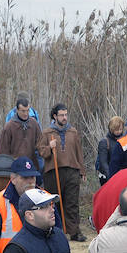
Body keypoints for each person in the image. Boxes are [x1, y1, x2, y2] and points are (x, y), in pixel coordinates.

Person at [38, 103, 87, 241]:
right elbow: (41, 151)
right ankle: (56, 231)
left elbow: (79, 152)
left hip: (71, 170)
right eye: (61, 115)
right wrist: (49, 147)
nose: (64, 118)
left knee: (72, 202)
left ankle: (74, 231)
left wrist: (82, 170)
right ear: (55, 116)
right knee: (55, 202)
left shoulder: (73, 132)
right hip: (53, 171)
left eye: (66, 115)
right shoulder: (47, 133)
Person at [0, 97, 42, 168]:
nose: (26, 113)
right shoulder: (9, 126)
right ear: (17, 110)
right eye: (23, 111)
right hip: (15, 166)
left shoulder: (34, 123)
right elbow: (4, 150)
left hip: (32, 165)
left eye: (27, 110)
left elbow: (40, 143)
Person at [95, 116, 125, 185]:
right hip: (107, 177)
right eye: (116, 129)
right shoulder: (104, 142)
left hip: (121, 175)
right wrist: (111, 177)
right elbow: (103, 163)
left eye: (120, 129)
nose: (119, 131)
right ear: (111, 129)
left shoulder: (124, 140)